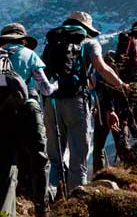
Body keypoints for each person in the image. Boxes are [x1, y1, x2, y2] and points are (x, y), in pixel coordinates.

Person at [42, 11, 128, 196]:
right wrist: (121, 84)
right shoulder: (89, 43)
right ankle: (76, 202)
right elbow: (102, 68)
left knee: (54, 158)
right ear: (86, 28)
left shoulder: (53, 41)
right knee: (78, 158)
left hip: (52, 102)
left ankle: (46, 200)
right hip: (76, 102)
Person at [0, 23, 58, 217]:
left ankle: (4, 211)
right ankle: (41, 208)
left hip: (2, 113)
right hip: (28, 108)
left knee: (7, 162)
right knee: (39, 158)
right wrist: (56, 86)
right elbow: (45, 88)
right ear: (23, 40)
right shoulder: (29, 54)